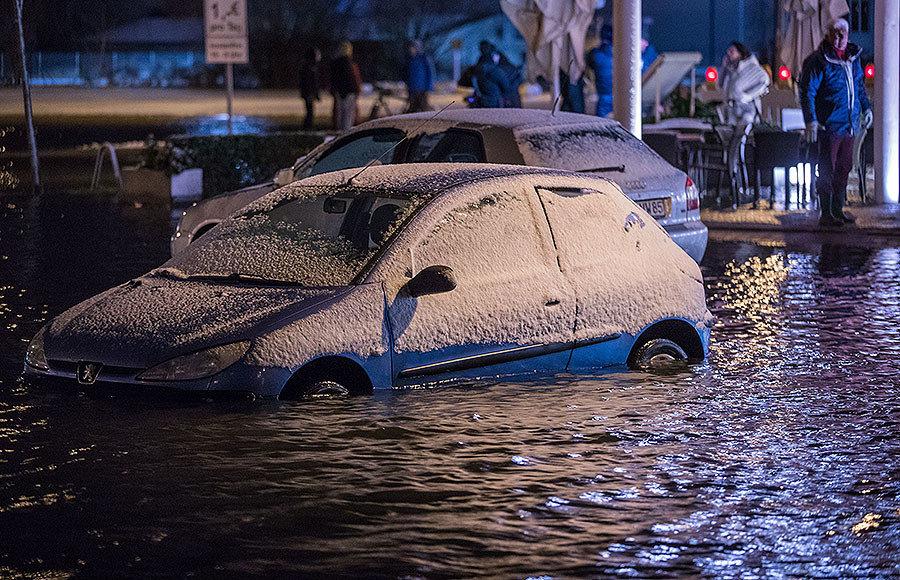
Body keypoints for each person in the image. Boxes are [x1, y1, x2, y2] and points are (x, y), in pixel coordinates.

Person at [800, 18, 872, 227]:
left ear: (848, 35)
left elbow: (858, 87)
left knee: (844, 166)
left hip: (849, 124)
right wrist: (811, 120)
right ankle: (826, 212)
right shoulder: (818, 60)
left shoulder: (853, 58)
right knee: (827, 168)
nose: (840, 38)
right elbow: (808, 92)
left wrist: (866, 108)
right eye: (835, 33)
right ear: (828, 35)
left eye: (843, 33)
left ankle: (837, 210)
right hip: (829, 125)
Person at [720, 41, 770, 126]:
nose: (728, 54)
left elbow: (764, 81)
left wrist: (748, 95)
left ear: (740, 53)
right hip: (733, 107)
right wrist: (724, 68)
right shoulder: (732, 70)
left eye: (732, 51)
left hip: (747, 106)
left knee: (746, 126)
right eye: (728, 51)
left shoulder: (751, 67)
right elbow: (720, 84)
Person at [330, 41, 362, 131]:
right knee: (348, 117)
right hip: (349, 93)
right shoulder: (349, 64)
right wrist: (356, 90)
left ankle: (339, 132)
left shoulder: (335, 64)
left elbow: (334, 79)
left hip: (339, 93)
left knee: (340, 116)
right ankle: (346, 133)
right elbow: (352, 79)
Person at [473, 41, 512, 108]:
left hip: (480, 102)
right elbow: (506, 86)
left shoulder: (477, 68)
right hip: (494, 102)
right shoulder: (495, 70)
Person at [587, 24, 614, 117]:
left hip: (603, 96)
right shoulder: (622, 54)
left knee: (601, 126)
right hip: (621, 96)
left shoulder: (595, 54)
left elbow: (590, 65)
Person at [403, 39, 434, 113]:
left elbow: (429, 74)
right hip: (412, 88)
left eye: (412, 47)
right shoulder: (409, 59)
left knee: (423, 108)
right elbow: (406, 74)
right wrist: (407, 84)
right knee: (413, 108)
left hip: (422, 89)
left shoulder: (423, 58)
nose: (411, 49)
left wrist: (428, 88)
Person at [299, 47, 321, 130]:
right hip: (309, 93)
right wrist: (311, 93)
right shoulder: (310, 67)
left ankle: (308, 127)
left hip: (308, 93)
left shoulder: (309, 66)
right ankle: (307, 128)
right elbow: (309, 82)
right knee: (310, 112)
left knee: (310, 111)